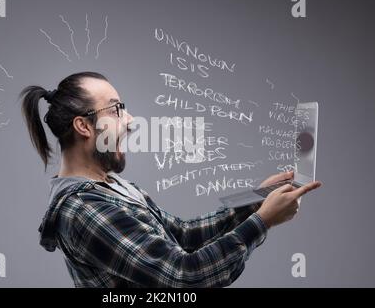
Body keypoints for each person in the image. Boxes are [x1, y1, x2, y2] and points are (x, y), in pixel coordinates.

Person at [19, 71, 322, 287]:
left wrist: (258, 200)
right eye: (116, 109)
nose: (131, 120)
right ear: (84, 127)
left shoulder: (114, 188)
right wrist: (263, 221)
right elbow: (185, 277)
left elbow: (184, 236)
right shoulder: (85, 210)